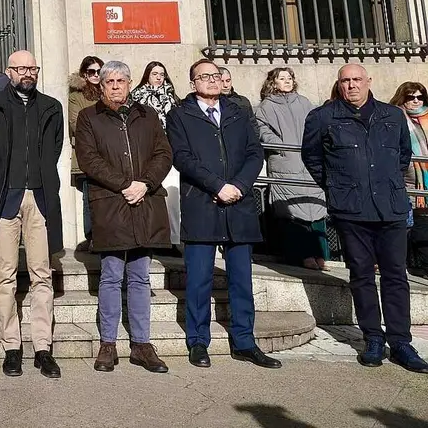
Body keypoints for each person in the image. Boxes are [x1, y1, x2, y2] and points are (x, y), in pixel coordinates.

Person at [302, 64, 428, 373]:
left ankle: (400, 342)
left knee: (396, 276)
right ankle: (372, 338)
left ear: (368, 82)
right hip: (351, 210)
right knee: (361, 275)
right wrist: (338, 187)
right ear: (339, 85)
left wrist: (383, 185)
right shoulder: (323, 117)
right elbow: (313, 158)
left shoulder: (392, 115)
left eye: (357, 79)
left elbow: (402, 156)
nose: (351, 86)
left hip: (391, 208)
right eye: (345, 81)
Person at [165, 60, 280, 370]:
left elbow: (255, 152)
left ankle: (245, 341)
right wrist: (217, 185)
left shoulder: (238, 112)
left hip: (239, 205)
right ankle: (198, 342)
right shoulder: (180, 116)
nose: (213, 81)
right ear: (193, 83)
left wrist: (240, 185)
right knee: (199, 280)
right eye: (205, 77)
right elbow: (182, 157)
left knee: (241, 280)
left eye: (216, 76)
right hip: (202, 204)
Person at [75, 61, 172, 374]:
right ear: (101, 85)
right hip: (111, 204)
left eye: (121, 80)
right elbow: (89, 159)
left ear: (130, 83)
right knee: (112, 275)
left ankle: (142, 345)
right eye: (109, 81)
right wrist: (124, 184)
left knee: (141, 276)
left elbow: (164, 153)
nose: (115, 86)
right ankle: (108, 344)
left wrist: (145, 183)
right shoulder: (89, 117)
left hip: (144, 202)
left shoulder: (148, 115)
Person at [0, 50, 64, 379]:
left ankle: (43, 347)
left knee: (41, 274)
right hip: (4, 200)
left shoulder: (52, 107)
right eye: (21, 68)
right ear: (8, 71)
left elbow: (53, 150)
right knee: (5, 275)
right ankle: (11, 346)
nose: (28, 73)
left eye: (33, 68)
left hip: (39, 197)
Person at [255, 67, 327, 270]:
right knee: (291, 212)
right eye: (282, 78)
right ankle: (301, 255)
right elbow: (262, 130)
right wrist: (281, 147)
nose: (287, 81)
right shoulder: (266, 107)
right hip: (285, 163)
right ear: (273, 82)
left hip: (308, 163)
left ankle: (319, 255)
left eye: (289, 78)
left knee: (314, 208)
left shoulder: (304, 102)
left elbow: (316, 126)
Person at [131, 61, 182, 248]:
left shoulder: (174, 99)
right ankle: (150, 238)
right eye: (154, 73)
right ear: (147, 75)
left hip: (169, 153)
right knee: (149, 196)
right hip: (146, 153)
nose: (159, 77)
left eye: (162, 73)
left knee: (172, 197)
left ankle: (173, 241)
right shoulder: (136, 98)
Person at [391, 82, 428, 275]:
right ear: (402, 98)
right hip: (406, 180)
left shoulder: (426, 117)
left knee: (422, 225)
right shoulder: (395, 117)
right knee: (408, 226)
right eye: (410, 97)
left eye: (419, 97)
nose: (415, 101)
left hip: (425, 182)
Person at [69, 55, 104, 251]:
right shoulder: (77, 96)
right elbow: (76, 125)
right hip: (87, 153)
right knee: (89, 197)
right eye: (92, 72)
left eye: (99, 71)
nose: (96, 75)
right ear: (84, 73)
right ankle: (91, 236)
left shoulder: (109, 91)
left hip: (111, 154)